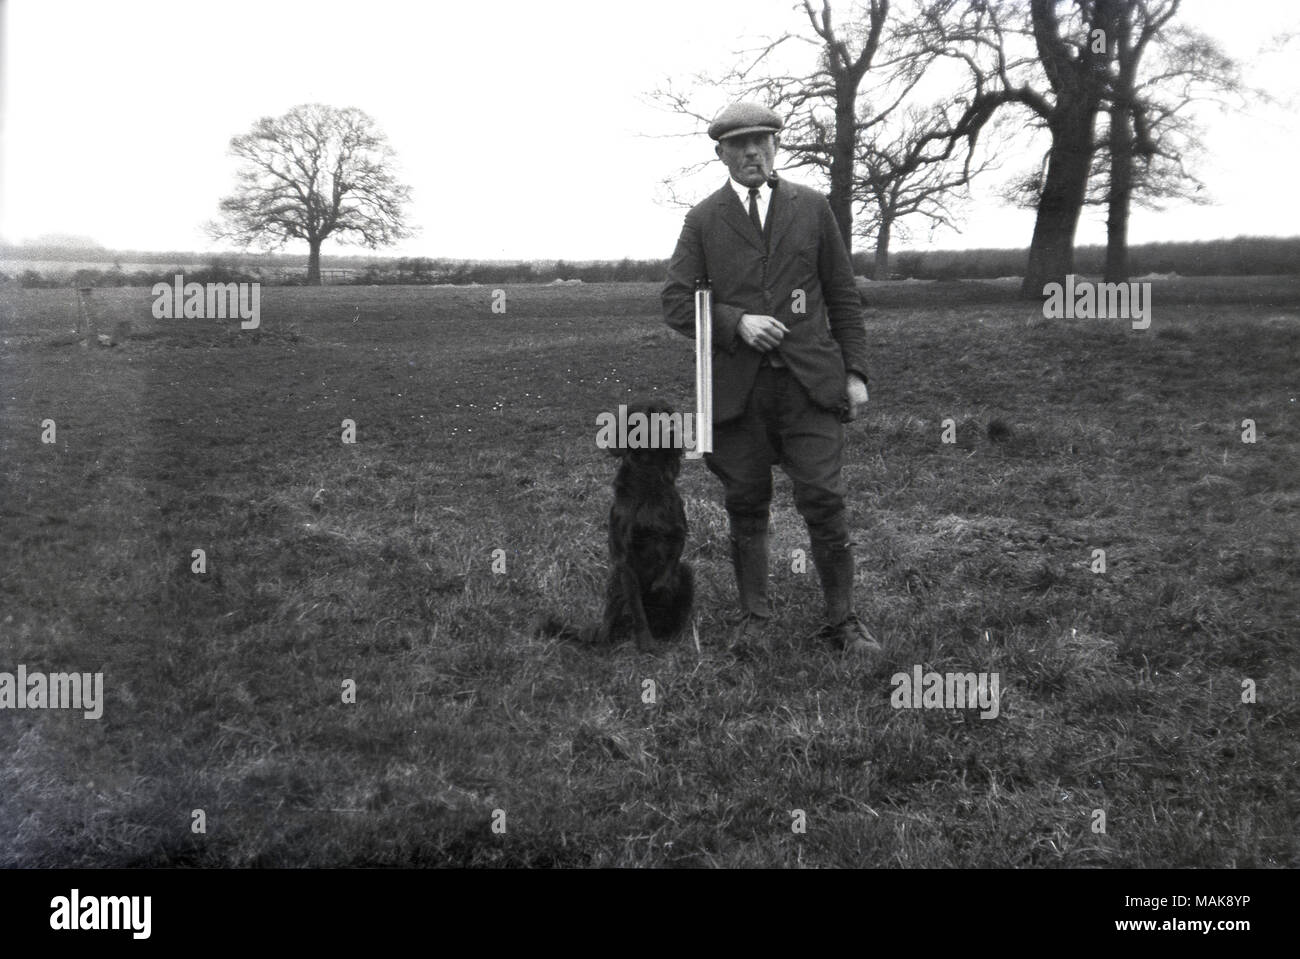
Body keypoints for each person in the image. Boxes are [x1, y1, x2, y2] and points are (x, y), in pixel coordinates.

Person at [661, 101, 880, 656]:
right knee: (746, 501)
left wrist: (854, 372)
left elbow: (843, 294)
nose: (753, 151)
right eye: (739, 144)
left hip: (811, 386)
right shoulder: (704, 219)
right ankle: (754, 617)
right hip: (738, 393)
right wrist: (736, 321)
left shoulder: (812, 207)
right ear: (722, 154)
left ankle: (844, 622)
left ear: (776, 146)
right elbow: (676, 302)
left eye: (762, 141)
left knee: (824, 499)